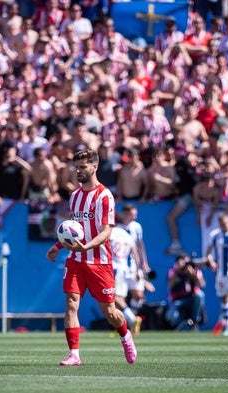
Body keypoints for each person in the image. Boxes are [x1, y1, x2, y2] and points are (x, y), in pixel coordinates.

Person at [46, 148, 137, 366]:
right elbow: (75, 229)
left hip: (100, 262)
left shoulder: (105, 196)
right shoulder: (75, 196)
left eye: (82, 167)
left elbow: (107, 231)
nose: (78, 171)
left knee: (110, 311)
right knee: (71, 302)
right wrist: (59, 246)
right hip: (75, 260)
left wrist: (85, 246)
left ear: (94, 167)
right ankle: (74, 354)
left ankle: (125, 336)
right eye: (76, 167)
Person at [109, 224, 142, 335]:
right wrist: (137, 270)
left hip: (114, 268)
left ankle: (132, 319)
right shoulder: (127, 235)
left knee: (114, 298)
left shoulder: (110, 233)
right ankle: (123, 328)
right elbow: (135, 255)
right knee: (119, 301)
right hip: (124, 269)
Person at [165, 253, 206, 331]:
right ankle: (186, 324)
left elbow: (202, 284)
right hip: (178, 300)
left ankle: (194, 321)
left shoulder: (195, 270)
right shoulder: (173, 271)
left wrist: (193, 274)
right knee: (170, 316)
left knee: (200, 295)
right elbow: (170, 285)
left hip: (191, 299)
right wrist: (177, 271)